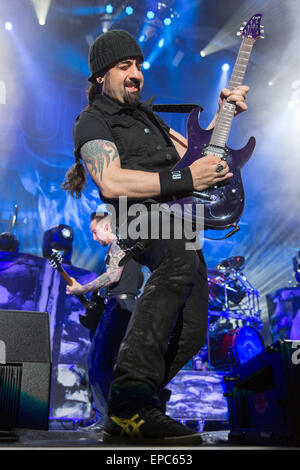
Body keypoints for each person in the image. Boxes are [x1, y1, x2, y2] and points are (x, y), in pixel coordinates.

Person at [62, 29, 249, 445]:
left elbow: (197, 158)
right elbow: (110, 181)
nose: (136, 74)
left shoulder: (150, 118)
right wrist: (185, 176)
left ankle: (136, 409)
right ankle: (129, 400)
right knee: (179, 261)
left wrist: (224, 113)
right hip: (140, 218)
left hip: (178, 220)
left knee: (194, 328)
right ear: (100, 76)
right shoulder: (93, 120)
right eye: (124, 66)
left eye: (139, 66)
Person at [66, 211, 143, 429]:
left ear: (107, 227)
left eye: (94, 232)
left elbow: (114, 275)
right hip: (122, 306)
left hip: (120, 307)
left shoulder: (120, 244)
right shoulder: (124, 248)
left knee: (99, 361)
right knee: (106, 362)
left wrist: (82, 287)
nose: (93, 238)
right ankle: (115, 417)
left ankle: (111, 418)